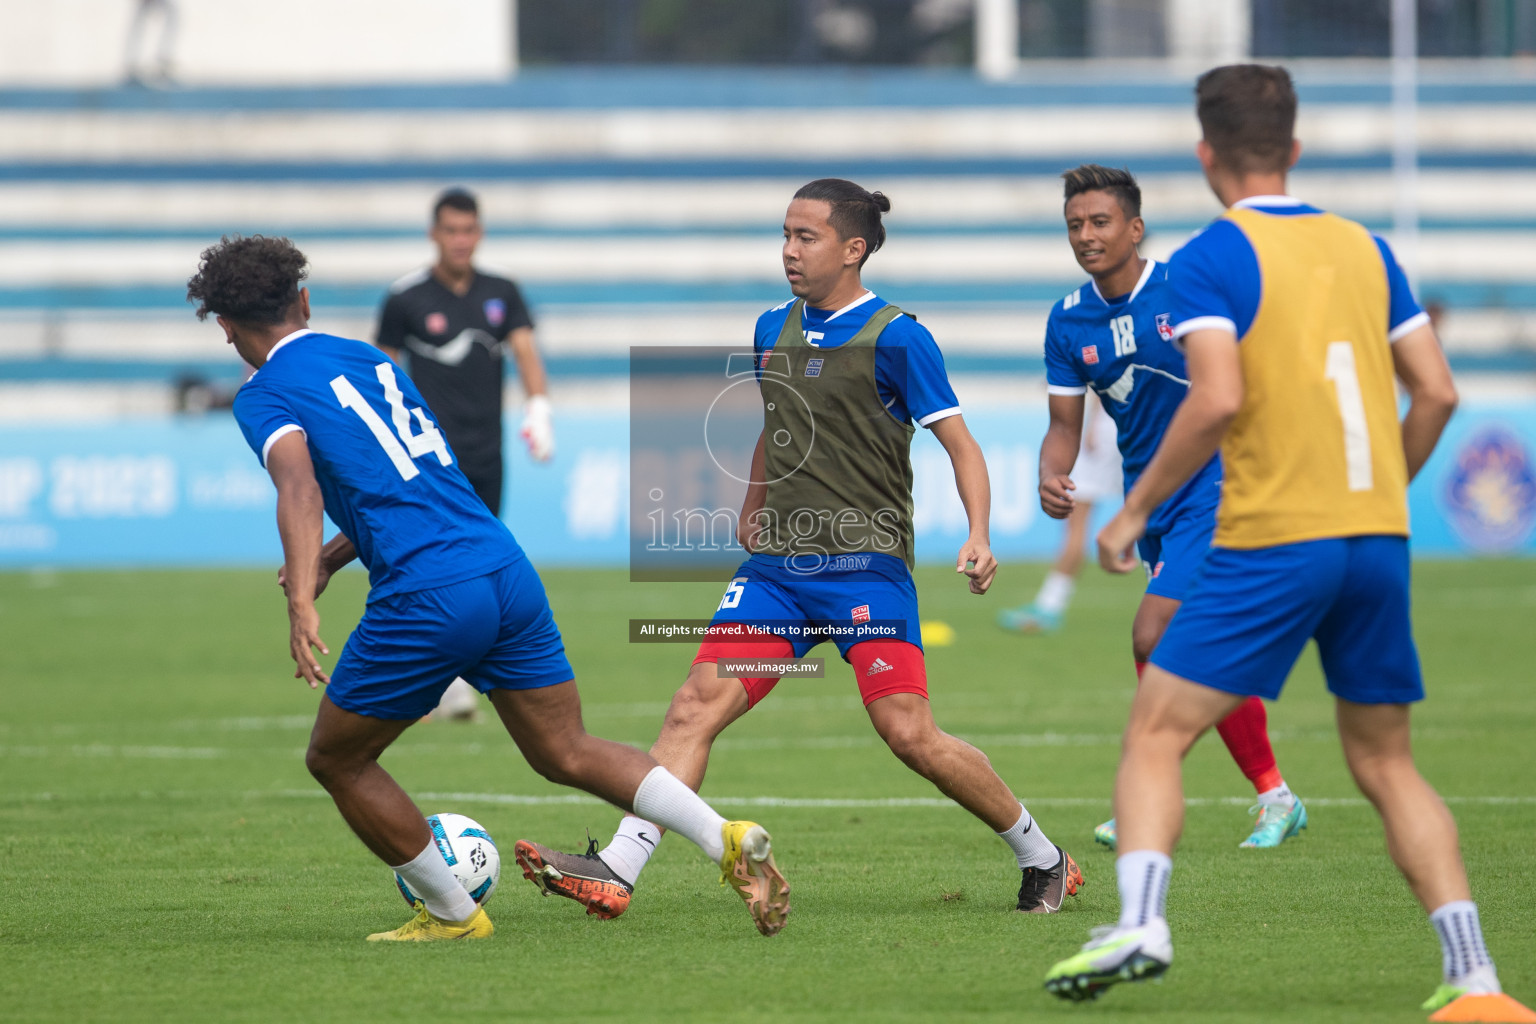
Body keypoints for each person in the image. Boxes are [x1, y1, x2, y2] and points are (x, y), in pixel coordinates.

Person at [1044, 67, 1530, 1022]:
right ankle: (1476, 980)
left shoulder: (1211, 258)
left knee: (1154, 730)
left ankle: (1141, 923)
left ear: (1205, 156)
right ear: (1296, 149)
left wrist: (1134, 508)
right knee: (1389, 764)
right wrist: (1385, 488)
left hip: (1275, 532)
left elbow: (1217, 397)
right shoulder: (1367, 247)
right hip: (1376, 538)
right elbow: (1436, 392)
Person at [187, 234, 790, 941]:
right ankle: (723, 835)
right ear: (305, 301)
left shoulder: (264, 394)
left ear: (224, 326)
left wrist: (300, 598)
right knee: (565, 748)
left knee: (338, 757)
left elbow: (298, 483)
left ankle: (452, 914)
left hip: (429, 593)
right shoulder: (368, 357)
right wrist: (335, 557)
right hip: (503, 568)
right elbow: (421, 474)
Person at [514, 179, 1083, 920]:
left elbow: (961, 444)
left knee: (908, 733)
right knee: (693, 707)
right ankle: (619, 868)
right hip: (777, 575)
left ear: (853, 249)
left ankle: (1043, 856)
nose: (788, 250)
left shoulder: (899, 336)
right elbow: (778, 426)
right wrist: (752, 505)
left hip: (865, 572)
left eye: (805, 236)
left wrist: (979, 532)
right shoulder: (769, 328)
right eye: (784, 234)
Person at [1018, 164, 1305, 852]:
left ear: (1135, 228)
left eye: (1100, 222)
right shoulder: (1067, 319)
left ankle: (1154, 785)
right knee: (1193, 646)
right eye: (1075, 226)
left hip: (1225, 482)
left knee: (1154, 633)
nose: (1086, 236)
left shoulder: (1187, 287)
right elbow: (1064, 426)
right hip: (1153, 502)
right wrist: (1050, 477)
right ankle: (1273, 795)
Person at [377, 188, 554, 720]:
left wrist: (539, 408)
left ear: (479, 233)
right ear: (434, 233)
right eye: (451, 230)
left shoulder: (502, 291)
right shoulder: (406, 297)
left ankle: (458, 672)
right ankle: (442, 678)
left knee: (478, 559)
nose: (460, 240)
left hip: (486, 449)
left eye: (469, 230)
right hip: (429, 456)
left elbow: (525, 351)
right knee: (435, 559)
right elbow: (380, 372)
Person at [997, 391, 1119, 634]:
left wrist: (1093, 423)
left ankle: (1049, 607)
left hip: (1108, 428)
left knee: (1077, 519)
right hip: (1134, 424)